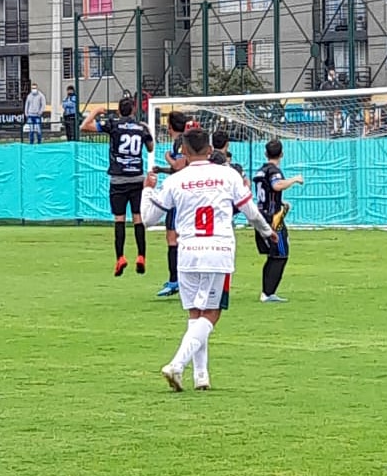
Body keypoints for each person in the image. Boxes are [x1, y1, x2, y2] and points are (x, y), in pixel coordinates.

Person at [141, 127, 277, 391]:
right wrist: (267, 231)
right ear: (211, 149)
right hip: (218, 251)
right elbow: (250, 212)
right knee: (212, 314)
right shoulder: (228, 175)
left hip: (187, 252)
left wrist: (147, 190)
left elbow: (147, 219)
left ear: (184, 151)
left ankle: (201, 377)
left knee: (195, 314)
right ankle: (176, 364)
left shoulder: (176, 180)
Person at [82, 96, 154, 276]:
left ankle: (120, 257)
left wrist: (95, 112)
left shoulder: (113, 124)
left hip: (118, 179)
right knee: (138, 218)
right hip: (137, 178)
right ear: (133, 111)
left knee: (119, 219)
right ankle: (141, 256)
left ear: (119, 111)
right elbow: (151, 148)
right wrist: (148, 130)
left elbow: (84, 126)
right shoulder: (141, 127)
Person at [253, 139, 304, 304]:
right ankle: (267, 293)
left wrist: (281, 204)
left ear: (265, 153)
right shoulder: (274, 171)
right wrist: (294, 179)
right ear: (281, 154)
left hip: (261, 215)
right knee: (281, 254)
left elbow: (267, 193)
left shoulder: (260, 171)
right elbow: (276, 185)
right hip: (273, 218)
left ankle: (267, 292)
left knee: (273, 255)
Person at [154, 110, 188, 298]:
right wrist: (162, 169)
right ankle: (178, 279)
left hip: (179, 197)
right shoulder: (184, 141)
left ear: (169, 127)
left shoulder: (180, 142)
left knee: (173, 238)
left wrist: (167, 157)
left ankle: (175, 281)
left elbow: (180, 166)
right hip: (184, 193)